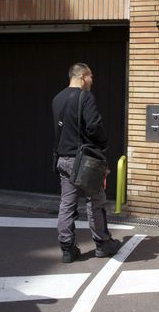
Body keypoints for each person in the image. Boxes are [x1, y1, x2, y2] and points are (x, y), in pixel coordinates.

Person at [52, 63, 122, 263]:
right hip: (85, 162)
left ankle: (67, 248)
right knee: (96, 201)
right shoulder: (86, 97)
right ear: (82, 76)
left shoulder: (57, 99)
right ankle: (102, 243)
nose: (92, 81)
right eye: (91, 76)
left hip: (63, 159)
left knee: (67, 203)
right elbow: (94, 126)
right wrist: (103, 143)